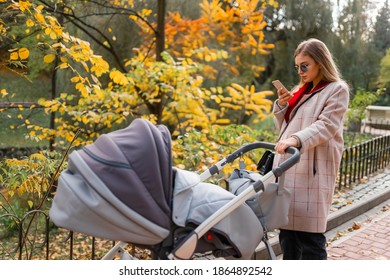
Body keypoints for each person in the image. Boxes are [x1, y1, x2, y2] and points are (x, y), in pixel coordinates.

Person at [272, 38, 350, 260]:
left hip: (311, 170)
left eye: (304, 66)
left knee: (310, 240)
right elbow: (285, 128)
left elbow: (326, 125)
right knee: (287, 237)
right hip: (291, 167)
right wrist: (283, 105)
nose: (300, 71)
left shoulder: (336, 90)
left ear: (320, 62)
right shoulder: (301, 90)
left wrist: (295, 139)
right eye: (297, 67)